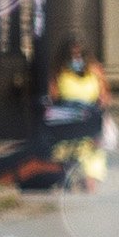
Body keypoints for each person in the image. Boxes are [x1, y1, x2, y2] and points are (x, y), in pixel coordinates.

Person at [46, 34, 109, 186]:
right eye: (72, 54)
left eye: (79, 54)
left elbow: (104, 96)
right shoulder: (59, 72)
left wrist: (100, 110)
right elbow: (53, 96)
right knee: (64, 150)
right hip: (66, 118)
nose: (76, 58)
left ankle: (88, 178)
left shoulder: (95, 70)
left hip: (90, 117)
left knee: (92, 152)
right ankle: (66, 175)